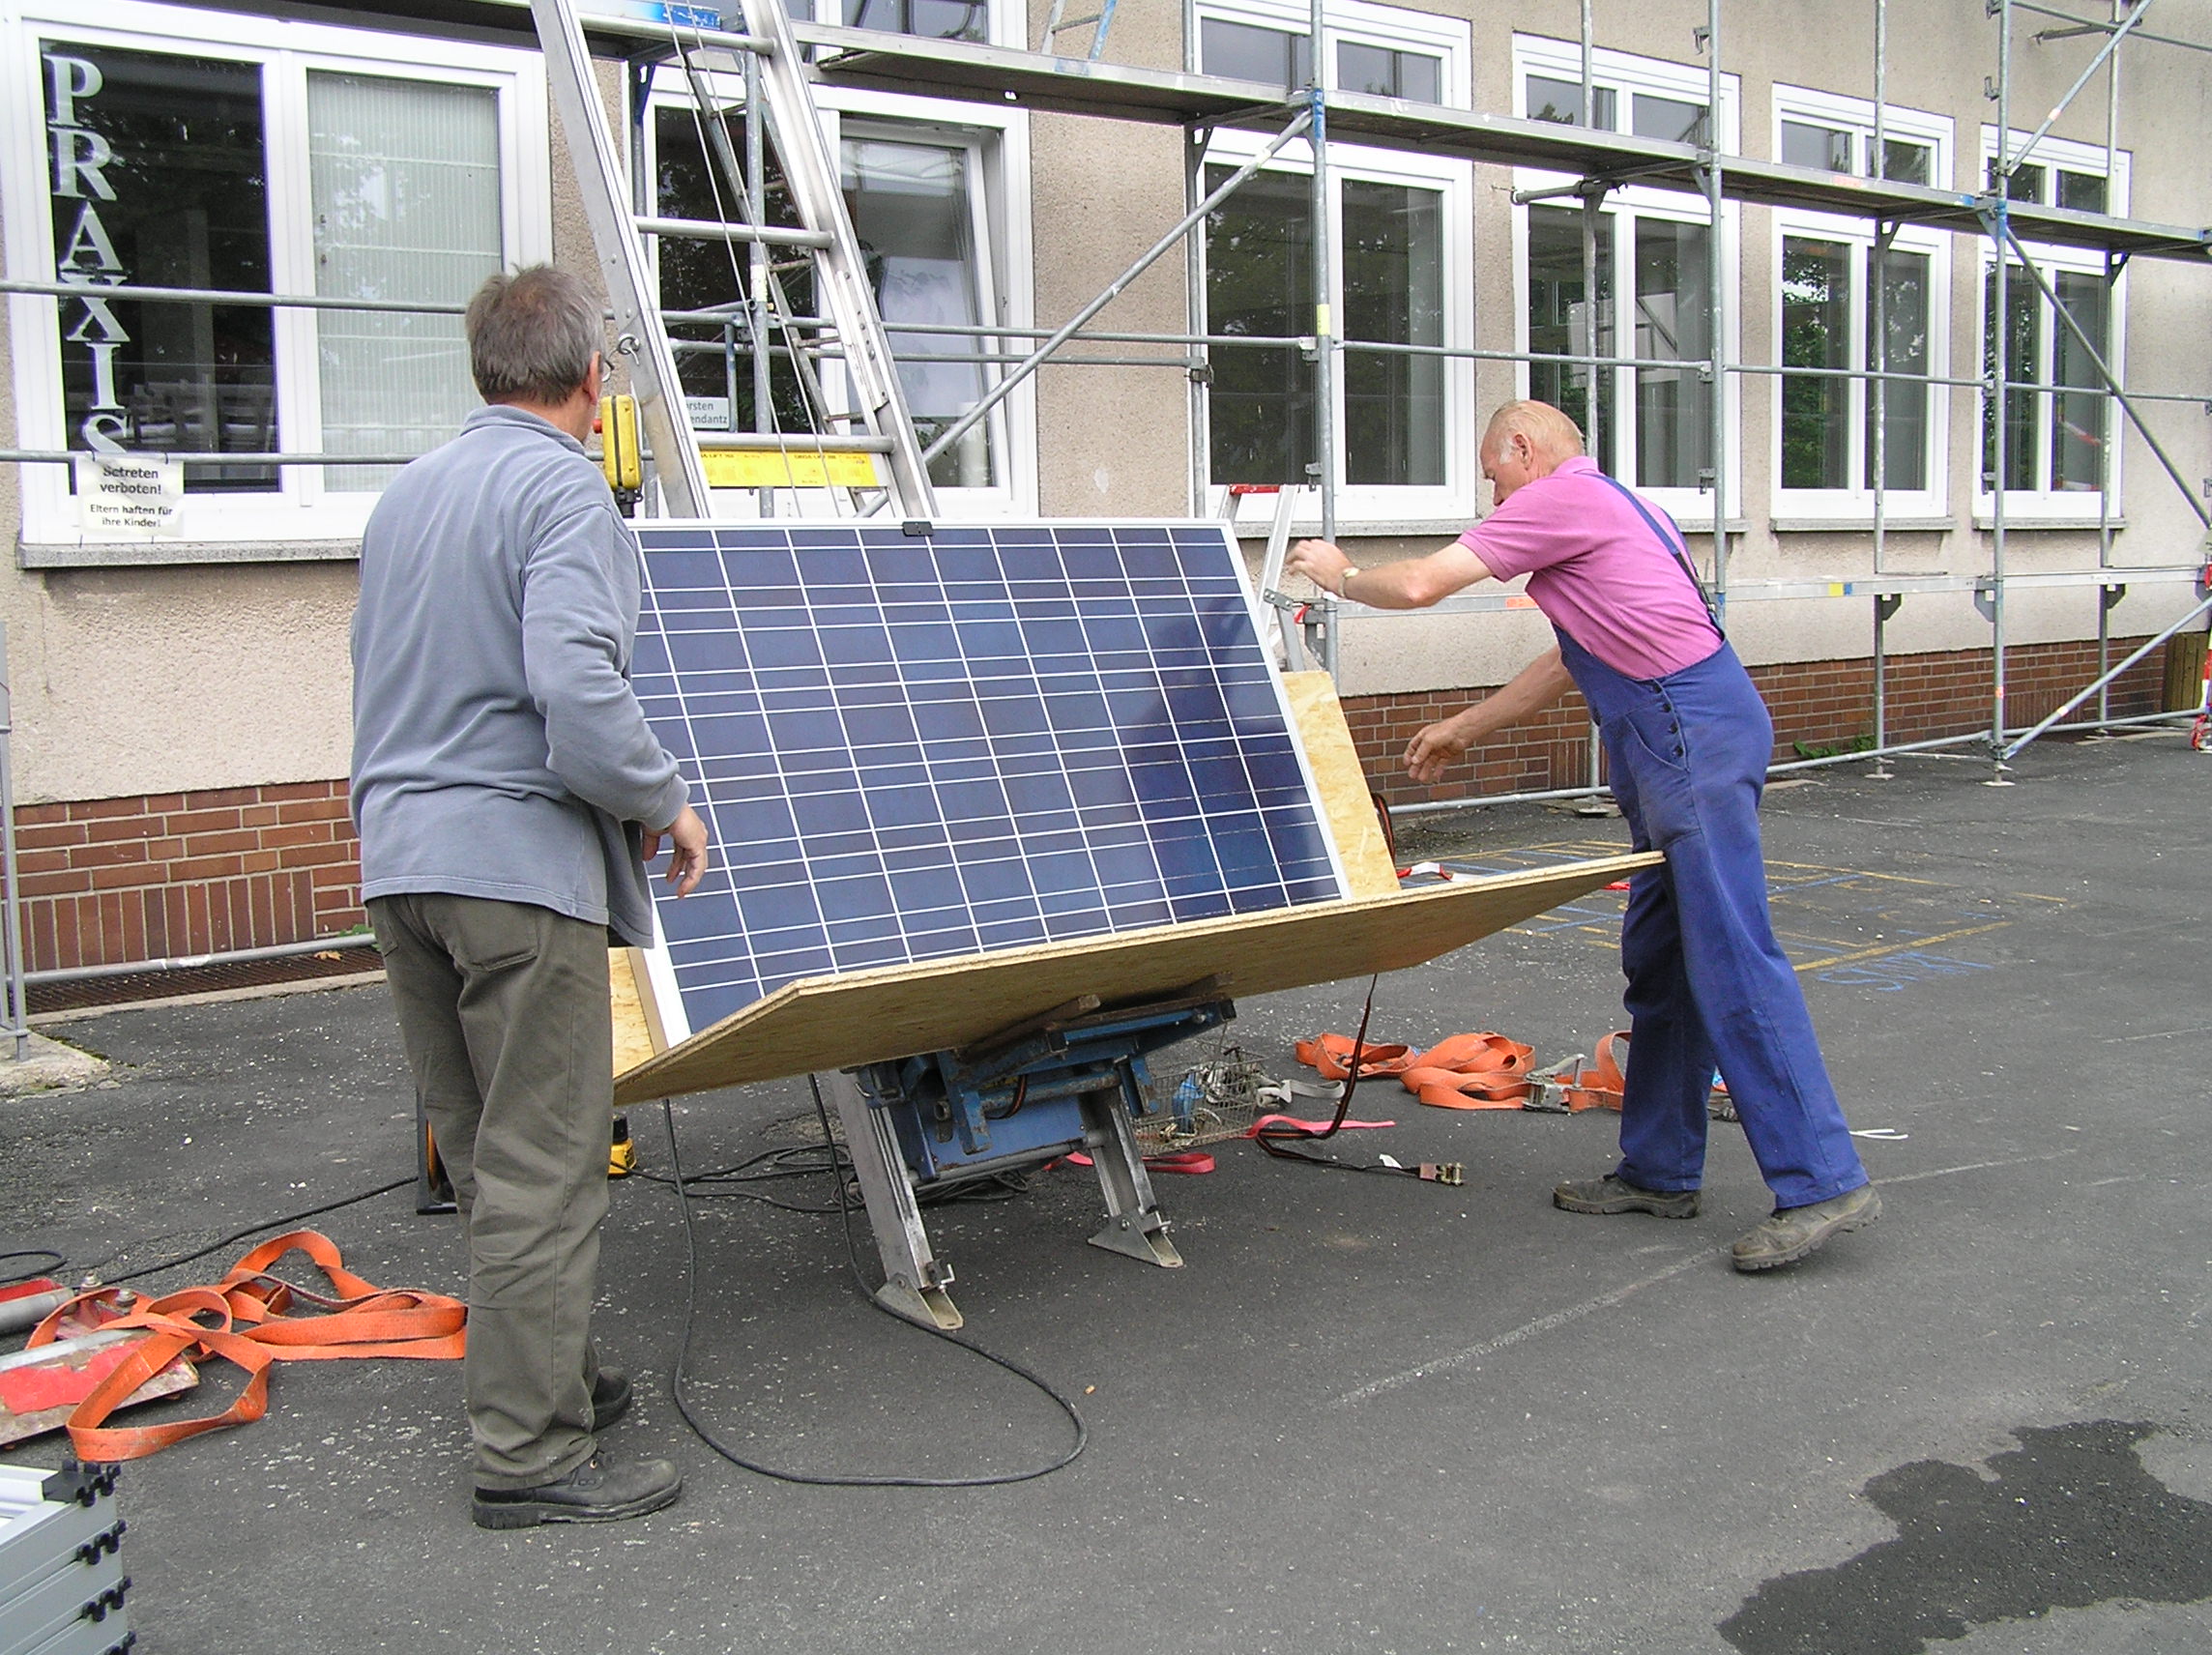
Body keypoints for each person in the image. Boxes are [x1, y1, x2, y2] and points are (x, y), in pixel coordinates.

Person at [1282, 399, 1878, 1272]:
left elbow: (1417, 585)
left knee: (1732, 959)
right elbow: (1574, 655)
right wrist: (1466, 728)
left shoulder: (1558, 498)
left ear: (1523, 448)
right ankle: (1661, 1171)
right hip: (1679, 732)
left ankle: (1823, 1180)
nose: (1492, 493)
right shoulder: (1621, 507)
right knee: (1663, 963)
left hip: (1685, 733)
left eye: (1492, 471)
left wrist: (1340, 574)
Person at [352, 265, 711, 1526]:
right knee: (547, 1166)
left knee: (488, 1160)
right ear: (591, 380)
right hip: (513, 878)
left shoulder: (408, 494)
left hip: (401, 870)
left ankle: (546, 1372)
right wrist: (663, 800)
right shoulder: (563, 491)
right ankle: (528, 1456)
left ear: (484, 369)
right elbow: (575, 689)